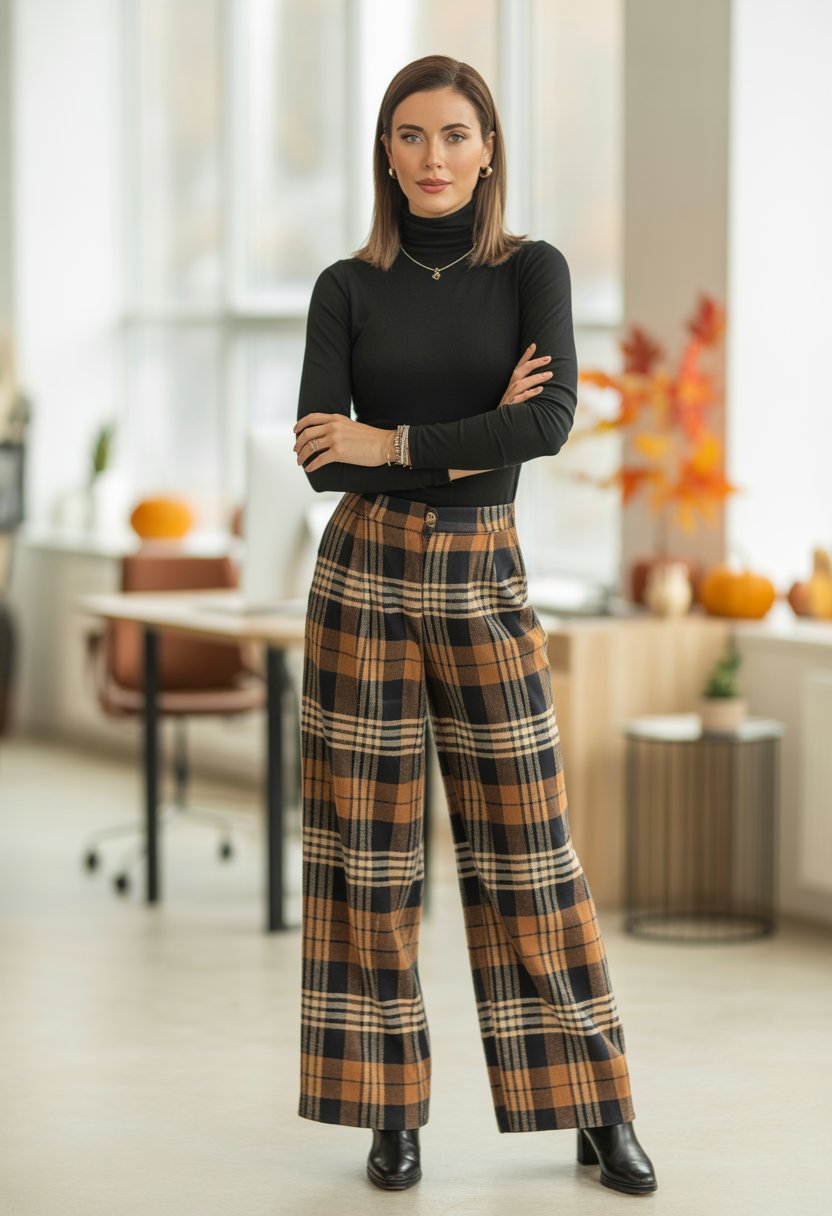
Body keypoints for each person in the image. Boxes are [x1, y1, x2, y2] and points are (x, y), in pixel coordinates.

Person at [292, 54, 657, 1197]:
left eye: (454, 135)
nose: (432, 157)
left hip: (481, 573)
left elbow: (546, 422)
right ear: (385, 154)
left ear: (488, 149)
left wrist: (393, 442)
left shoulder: (529, 271)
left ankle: (597, 1109)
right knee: (370, 859)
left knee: (528, 851)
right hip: (359, 579)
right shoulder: (345, 285)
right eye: (410, 136)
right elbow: (315, 455)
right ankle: (387, 1116)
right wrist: (468, 427)